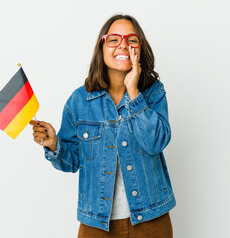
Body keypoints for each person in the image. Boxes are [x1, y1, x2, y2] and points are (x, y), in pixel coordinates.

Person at [30, 14, 176, 238]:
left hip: (151, 221)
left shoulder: (153, 92)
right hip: (96, 225)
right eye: (114, 39)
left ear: (140, 49)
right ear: (102, 47)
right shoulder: (79, 100)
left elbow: (156, 142)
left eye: (132, 39)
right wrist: (54, 144)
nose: (123, 45)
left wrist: (134, 93)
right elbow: (72, 162)